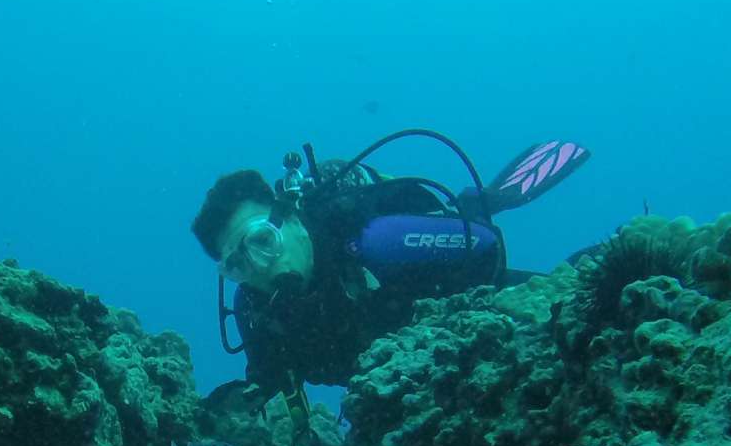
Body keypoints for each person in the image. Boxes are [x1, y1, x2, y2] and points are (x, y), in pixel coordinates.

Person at [191, 130, 590, 410]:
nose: (258, 268)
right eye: (238, 264)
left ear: (291, 218)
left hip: (490, 319)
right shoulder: (256, 310)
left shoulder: (376, 241)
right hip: (420, 402)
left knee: (580, 293)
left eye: (262, 241)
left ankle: (481, 203)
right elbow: (268, 380)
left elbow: (485, 248)